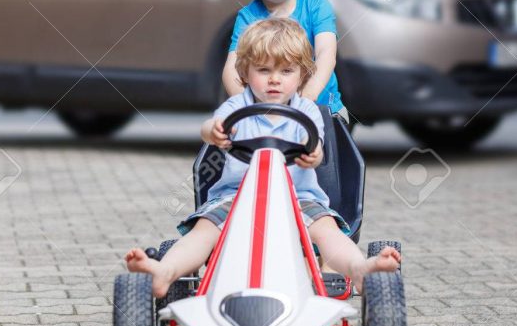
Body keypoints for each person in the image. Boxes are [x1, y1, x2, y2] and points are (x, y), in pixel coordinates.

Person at [125, 18, 398, 297]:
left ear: (303, 74)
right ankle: (165, 273)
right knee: (204, 230)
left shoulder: (307, 111)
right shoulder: (236, 106)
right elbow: (210, 127)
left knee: (327, 231)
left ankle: (359, 270)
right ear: (244, 71)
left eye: (286, 71)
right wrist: (214, 132)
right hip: (235, 195)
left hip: (299, 197)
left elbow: (314, 146)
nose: (275, 79)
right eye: (264, 70)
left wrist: (311, 153)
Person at [221, 0, 350, 124]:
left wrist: (306, 101)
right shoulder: (248, 16)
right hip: (266, 114)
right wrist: (248, 107)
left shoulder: (316, 5)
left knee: (324, 153)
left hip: (323, 109)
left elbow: (326, 54)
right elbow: (231, 68)